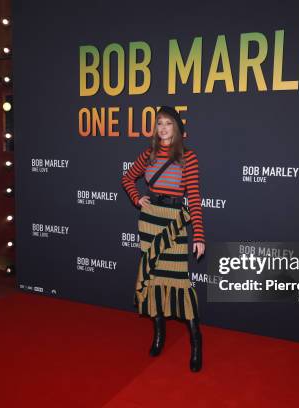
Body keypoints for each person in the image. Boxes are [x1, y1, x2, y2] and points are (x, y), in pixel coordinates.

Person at [121, 105, 206, 372]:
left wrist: (199, 235)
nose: (163, 128)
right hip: (150, 221)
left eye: (168, 123)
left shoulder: (188, 157)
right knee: (153, 279)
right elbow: (127, 179)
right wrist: (138, 199)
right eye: (159, 123)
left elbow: (193, 198)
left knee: (180, 281)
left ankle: (196, 342)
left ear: (178, 128)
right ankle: (159, 335)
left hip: (174, 223)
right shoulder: (148, 154)